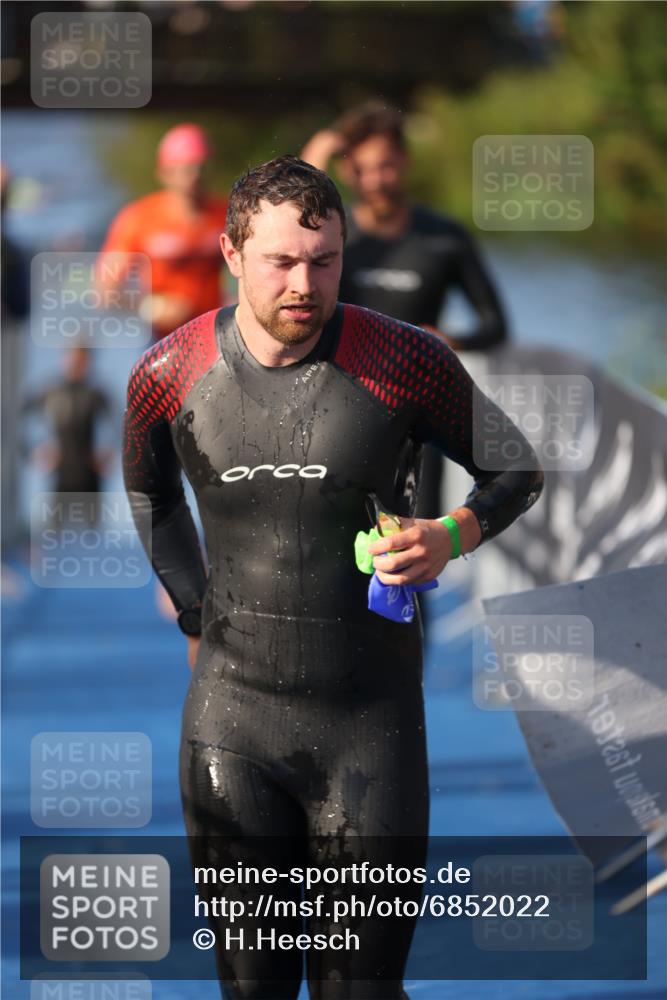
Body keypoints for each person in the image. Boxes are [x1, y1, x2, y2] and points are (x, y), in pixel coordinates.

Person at [123, 155, 543, 998]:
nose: (303, 285)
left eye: (324, 260)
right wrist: (198, 617)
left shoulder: (406, 360)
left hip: (369, 725)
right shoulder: (168, 376)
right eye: (281, 261)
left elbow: (516, 472)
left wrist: (449, 535)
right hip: (230, 723)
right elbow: (149, 489)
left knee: (360, 990)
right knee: (253, 989)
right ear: (232, 255)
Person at [301, 102, 508, 524]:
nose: (376, 179)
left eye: (387, 166)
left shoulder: (444, 239)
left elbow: (496, 325)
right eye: (363, 168)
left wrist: (453, 340)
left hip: (416, 419)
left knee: (412, 550)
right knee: (329, 551)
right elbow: (285, 224)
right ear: (346, 170)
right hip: (331, 411)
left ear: (405, 162)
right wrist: (319, 151)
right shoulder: (331, 236)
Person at [98, 123, 228, 341]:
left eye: (201, 167)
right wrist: (151, 306)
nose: (195, 176)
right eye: (186, 169)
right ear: (164, 173)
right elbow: (104, 290)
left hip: (215, 335)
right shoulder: (139, 218)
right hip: (162, 342)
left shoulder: (225, 213)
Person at [24, 345, 112, 524]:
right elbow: (23, 420)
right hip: (59, 477)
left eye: (81, 360)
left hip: (89, 477)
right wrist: (36, 449)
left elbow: (115, 428)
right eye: (72, 359)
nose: (75, 364)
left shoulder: (96, 395)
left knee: (91, 538)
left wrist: (107, 452)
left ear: (88, 362)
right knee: (54, 535)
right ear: (63, 360)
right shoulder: (50, 393)